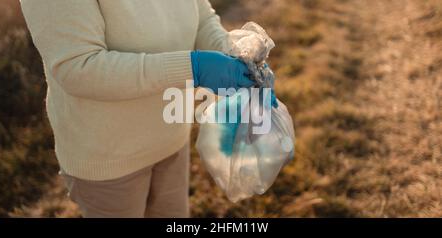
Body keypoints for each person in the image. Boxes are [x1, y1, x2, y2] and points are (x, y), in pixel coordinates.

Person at [21, 0, 273, 218]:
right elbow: (80, 67)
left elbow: (201, 15)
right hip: (108, 158)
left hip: (172, 137)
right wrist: (194, 68)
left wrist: (234, 57)